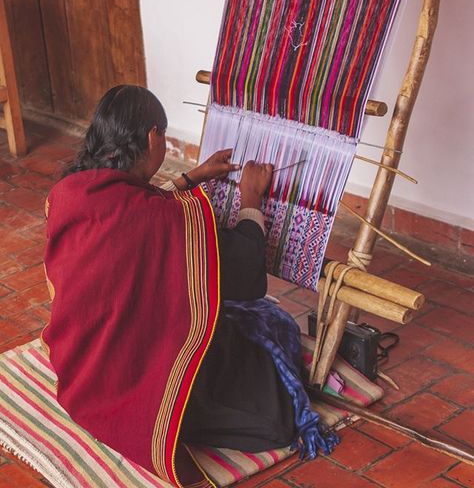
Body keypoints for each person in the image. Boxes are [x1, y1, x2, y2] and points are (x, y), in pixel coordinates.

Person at [42, 85, 336, 488]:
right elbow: (245, 277)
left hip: (83, 375)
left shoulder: (70, 194)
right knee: (275, 417)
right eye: (162, 135)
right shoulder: (168, 220)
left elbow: (131, 210)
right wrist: (251, 200)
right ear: (152, 137)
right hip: (135, 378)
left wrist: (190, 178)